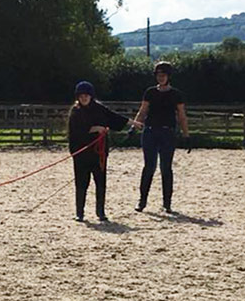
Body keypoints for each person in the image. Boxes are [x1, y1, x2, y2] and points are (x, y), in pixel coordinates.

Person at [68, 81, 143, 222]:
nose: (84, 98)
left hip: (99, 153)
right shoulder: (75, 112)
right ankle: (80, 212)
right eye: (81, 95)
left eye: (86, 95)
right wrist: (95, 128)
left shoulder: (99, 109)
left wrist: (133, 123)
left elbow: (114, 117)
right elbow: (75, 132)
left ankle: (100, 212)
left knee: (100, 182)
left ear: (91, 96)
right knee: (81, 182)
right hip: (81, 153)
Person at [132, 61, 190, 214]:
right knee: (149, 167)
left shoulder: (176, 94)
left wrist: (186, 134)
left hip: (167, 133)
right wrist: (135, 125)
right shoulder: (150, 92)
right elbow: (143, 111)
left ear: (168, 76)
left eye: (163, 75)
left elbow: (182, 116)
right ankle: (142, 200)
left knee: (166, 168)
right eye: (158, 75)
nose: (161, 78)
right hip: (150, 132)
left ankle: (167, 202)